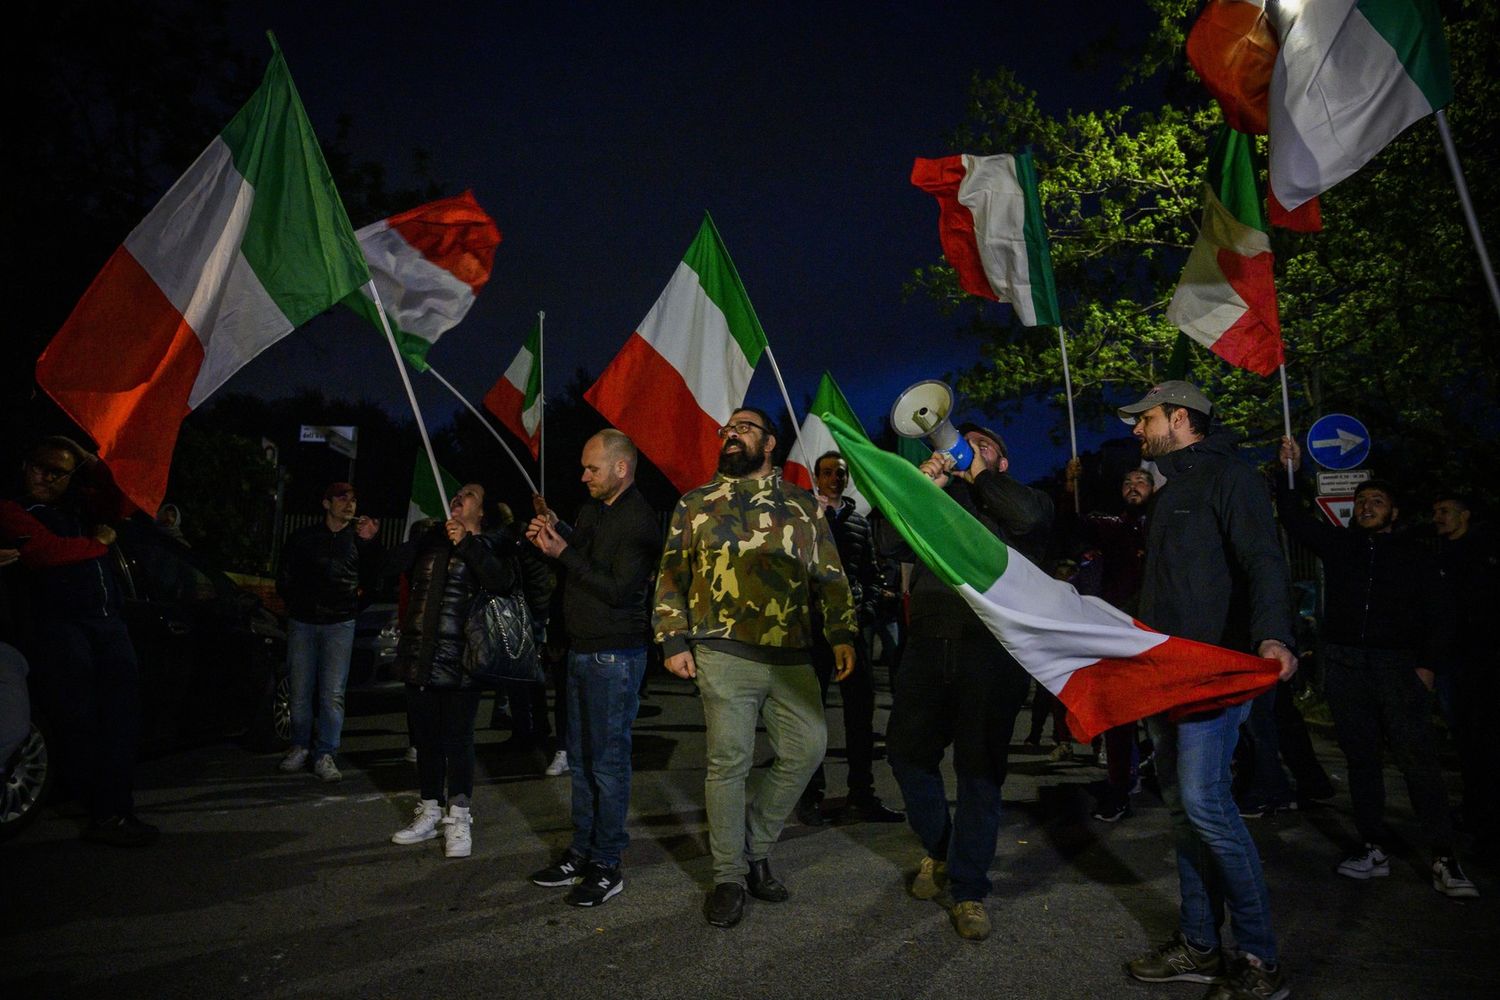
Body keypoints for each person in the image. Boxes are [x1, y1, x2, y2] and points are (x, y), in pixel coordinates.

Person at [1114, 381, 1298, 1000]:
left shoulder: (1232, 478)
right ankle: (1198, 942)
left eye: (1147, 419)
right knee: (1181, 809)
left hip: (1214, 671)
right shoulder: (1170, 490)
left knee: (1207, 806)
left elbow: (1264, 561)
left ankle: (1258, 959)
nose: (1137, 430)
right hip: (1164, 673)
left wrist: (1274, 634)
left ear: (1182, 419)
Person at [654, 407, 856, 929]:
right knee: (729, 762)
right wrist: (672, 638)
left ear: (770, 444)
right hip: (722, 650)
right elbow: (672, 576)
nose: (730, 435)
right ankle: (729, 876)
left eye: (743, 428)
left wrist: (841, 633)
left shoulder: (802, 504)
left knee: (808, 748)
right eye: (727, 430)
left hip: (792, 654)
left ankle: (753, 843)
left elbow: (829, 576)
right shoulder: (695, 504)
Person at [1276, 440, 1476, 898]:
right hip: (1346, 663)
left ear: (1393, 513)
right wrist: (1289, 473)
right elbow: (1295, 518)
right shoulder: (1341, 546)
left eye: (1377, 502)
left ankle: (1444, 857)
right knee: (1361, 758)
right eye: (1361, 502)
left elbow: (1441, 615)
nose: (1366, 507)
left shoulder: (1415, 556)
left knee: (1417, 760)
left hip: (1396, 666)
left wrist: (1426, 666)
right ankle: (1371, 847)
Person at [886, 423, 1051, 942]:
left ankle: (970, 888)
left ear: (1002, 461)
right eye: (963, 442)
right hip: (929, 643)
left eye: (984, 445)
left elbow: (1024, 518)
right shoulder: (938, 501)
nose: (962, 448)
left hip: (991, 653)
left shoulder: (1025, 500)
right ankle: (941, 848)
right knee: (907, 755)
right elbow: (888, 542)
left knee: (979, 770)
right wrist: (921, 486)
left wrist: (977, 473)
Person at [526, 430, 662, 906]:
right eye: (584, 468)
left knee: (607, 765)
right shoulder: (591, 511)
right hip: (580, 652)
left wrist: (564, 552)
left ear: (621, 468)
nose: (583, 476)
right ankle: (581, 851)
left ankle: (607, 862)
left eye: (592, 468)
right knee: (581, 763)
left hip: (615, 656)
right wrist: (555, 533)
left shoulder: (640, 521)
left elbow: (619, 589)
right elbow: (579, 558)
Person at [0, 436, 155, 846]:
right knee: (83, 722)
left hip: (107, 625)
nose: (46, 478)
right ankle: (100, 810)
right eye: (39, 467)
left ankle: (116, 813)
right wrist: (96, 544)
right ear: (24, 466)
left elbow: (124, 502)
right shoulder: (13, 510)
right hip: (62, 628)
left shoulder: (82, 508)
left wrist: (89, 461)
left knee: (121, 721)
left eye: (58, 471)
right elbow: (45, 553)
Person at [388, 482, 528, 859]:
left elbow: (502, 582)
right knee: (426, 739)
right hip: (421, 654)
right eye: (457, 493)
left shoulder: (490, 544)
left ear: (480, 512)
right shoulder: (429, 538)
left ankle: (460, 815)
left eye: (468, 494)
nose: (458, 497)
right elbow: (392, 568)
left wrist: (466, 543)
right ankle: (430, 809)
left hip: (464, 659)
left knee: (458, 739)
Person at [796, 451, 904, 826]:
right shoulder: (803, 517)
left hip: (853, 630)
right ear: (817, 477)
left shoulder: (859, 522)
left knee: (860, 717)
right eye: (826, 473)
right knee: (810, 717)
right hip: (813, 631)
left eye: (840, 473)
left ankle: (863, 795)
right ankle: (810, 795)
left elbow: (871, 575)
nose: (834, 479)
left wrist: (867, 610)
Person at [274, 482, 383, 782]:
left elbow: (375, 580)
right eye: (341, 497)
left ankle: (326, 753)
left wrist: (351, 607)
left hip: (339, 624)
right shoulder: (304, 538)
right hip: (303, 622)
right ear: (326, 503)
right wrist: (295, 603)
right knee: (299, 688)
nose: (349, 504)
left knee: (332, 693)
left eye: (353, 499)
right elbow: (284, 574)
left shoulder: (358, 540)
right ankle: (299, 746)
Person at [1064, 461, 1154, 822]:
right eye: (1128, 481)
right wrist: (1072, 487)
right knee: (1119, 716)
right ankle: (1119, 789)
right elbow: (1073, 523)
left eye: (1141, 481)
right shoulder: (1112, 528)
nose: (1134, 486)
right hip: (1120, 629)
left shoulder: (1166, 522)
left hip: (1160, 629)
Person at [1432, 491, 1499, 846]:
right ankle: (1476, 807)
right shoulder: (1440, 554)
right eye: (1435, 511)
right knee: (1466, 738)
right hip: (1453, 660)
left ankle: (1484, 811)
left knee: (1482, 736)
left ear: (1465, 515)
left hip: (1482, 660)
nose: (1438, 517)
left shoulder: (1482, 552)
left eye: (1445, 511)